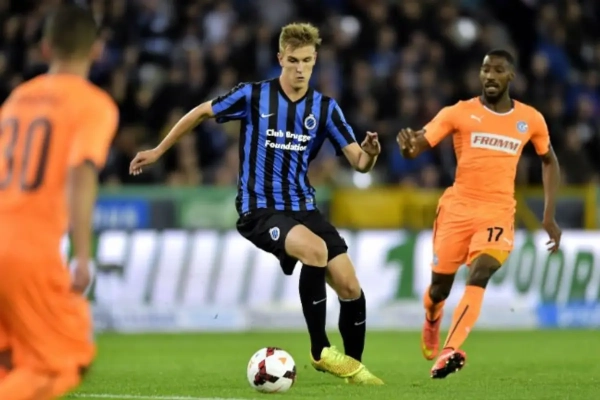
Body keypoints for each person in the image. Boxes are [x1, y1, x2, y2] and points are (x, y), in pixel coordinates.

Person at [130, 22, 383, 385]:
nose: (300, 69)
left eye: (307, 61)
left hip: (303, 207)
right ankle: (320, 350)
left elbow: (359, 162)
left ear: (315, 60)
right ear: (280, 58)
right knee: (315, 251)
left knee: (350, 286)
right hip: (259, 209)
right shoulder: (253, 96)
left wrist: (371, 154)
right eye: (293, 61)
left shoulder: (325, 109)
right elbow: (200, 112)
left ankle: (353, 369)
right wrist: (158, 151)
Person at [397, 49, 562, 379]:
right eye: (485, 70)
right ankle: (432, 317)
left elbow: (549, 161)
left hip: (498, 212)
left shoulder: (530, 119)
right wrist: (408, 147)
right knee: (439, 289)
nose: (489, 76)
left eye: (497, 70)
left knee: (480, 272)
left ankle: (449, 350)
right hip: (457, 209)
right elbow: (419, 144)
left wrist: (548, 215)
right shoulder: (459, 112)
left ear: (510, 76)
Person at [0, 5, 119, 399]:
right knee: (67, 360)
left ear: (46, 47)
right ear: (97, 49)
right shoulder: (93, 105)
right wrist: (82, 255)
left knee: (10, 361)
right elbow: (81, 174)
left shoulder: (17, 99)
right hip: (29, 252)